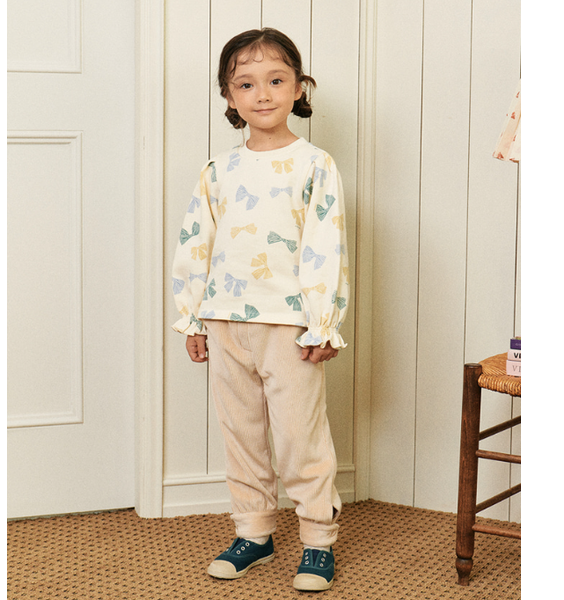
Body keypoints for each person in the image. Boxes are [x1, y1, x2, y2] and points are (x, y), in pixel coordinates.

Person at [171, 27, 349, 592]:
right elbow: (196, 244)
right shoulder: (217, 170)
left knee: (300, 435)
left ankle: (317, 538)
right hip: (225, 319)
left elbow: (325, 246)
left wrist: (323, 323)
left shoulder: (314, 165)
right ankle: (254, 532)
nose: (262, 93)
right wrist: (191, 317)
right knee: (241, 433)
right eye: (246, 84)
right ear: (229, 96)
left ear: (299, 88)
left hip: (288, 324)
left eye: (276, 80)